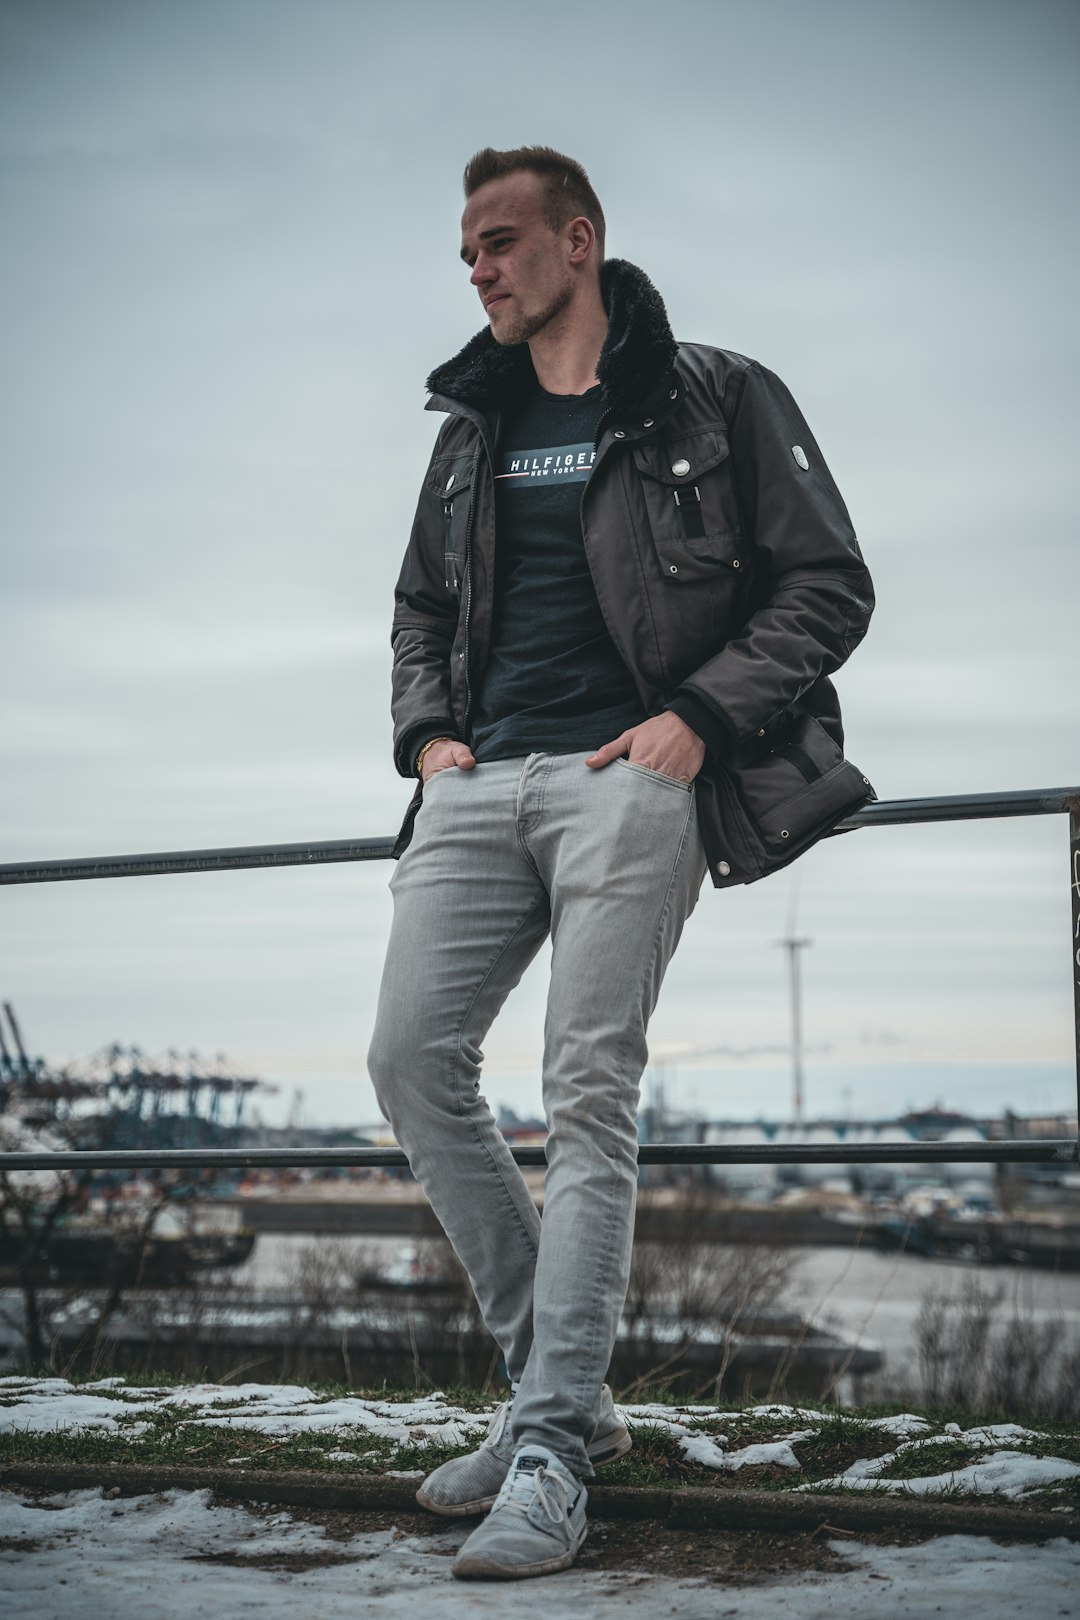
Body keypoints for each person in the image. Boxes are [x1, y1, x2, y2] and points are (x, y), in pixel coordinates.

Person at [368, 146, 874, 1581]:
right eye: (468, 249)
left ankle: (547, 1461)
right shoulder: (469, 422)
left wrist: (698, 722)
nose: (479, 268)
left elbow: (829, 581)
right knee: (409, 1062)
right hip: (478, 784)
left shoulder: (715, 393)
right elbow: (418, 603)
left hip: (630, 780)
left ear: (577, 241)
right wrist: (427, 737)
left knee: (587, 1088)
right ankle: (562, 1399)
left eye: (502, 242)